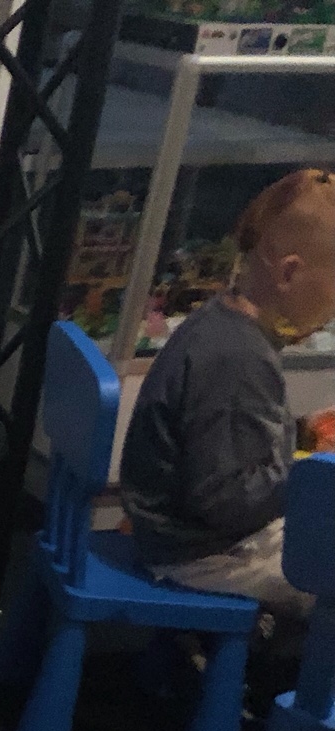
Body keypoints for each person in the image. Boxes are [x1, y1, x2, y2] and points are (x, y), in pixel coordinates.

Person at [121, 167, 335, 620]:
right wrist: (310, 475)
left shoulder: (223, 322)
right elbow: (225, 501)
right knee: (324, 571)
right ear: (289, 273)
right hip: (204, 554)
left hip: (192, 537)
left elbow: (232, 448)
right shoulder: (238, 359)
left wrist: (302, 437)